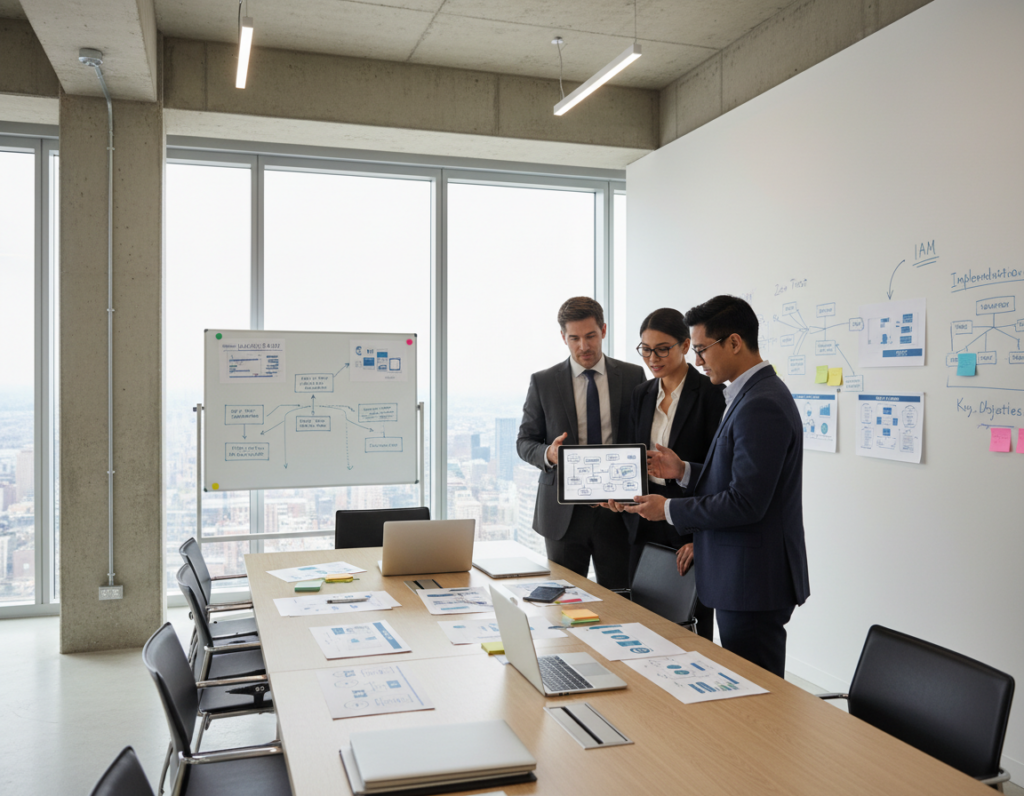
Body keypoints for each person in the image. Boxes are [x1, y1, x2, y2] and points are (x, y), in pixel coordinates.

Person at [625, 295, 810, 677]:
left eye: (703, 349)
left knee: (756, 699)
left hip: (752, 578)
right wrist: (685, 471)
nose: (698, 360)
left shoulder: (762, 403)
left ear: (735, 343)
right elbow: (738, 478)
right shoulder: (750, 394)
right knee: (745, 690)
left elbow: (746, 502)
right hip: (744, 574)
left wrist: (670, 509)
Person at [604, 308, 725, 642]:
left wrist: (700, 537)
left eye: (661, 349)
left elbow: (719, 474)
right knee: (641, 622)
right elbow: (630, 457)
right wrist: (621, 496)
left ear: (686, 345)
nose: (652, 358)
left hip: (687, 522)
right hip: (643, 520)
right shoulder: (641, 395)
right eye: (645, 349)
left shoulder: (712, 395)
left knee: (691, 629)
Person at [517, 297, 646, 590]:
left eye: (590, 336)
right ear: (563, 337)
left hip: (617, 509)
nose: (584, 347)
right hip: (564, 513)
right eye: (574, 338)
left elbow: (642, 434)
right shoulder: (544, 382)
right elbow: (524, 441)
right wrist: (548, 453)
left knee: (621, 599)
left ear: (603, 330)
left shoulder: (631, 375)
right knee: (563, 600)